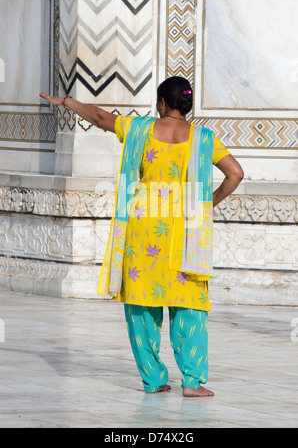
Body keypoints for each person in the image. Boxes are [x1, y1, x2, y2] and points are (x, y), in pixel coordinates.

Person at [40, 76, 244, 397]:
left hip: (142, 228)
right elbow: (236, 174)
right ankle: (192, 382)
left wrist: (68, 102)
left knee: (140, 304)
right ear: (187, 105)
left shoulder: (141, 130)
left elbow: (101, 118)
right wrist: (207, 203)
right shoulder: (204, 138)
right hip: (185, 234)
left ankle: (153, 378)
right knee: (189, 304)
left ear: (162, 103)